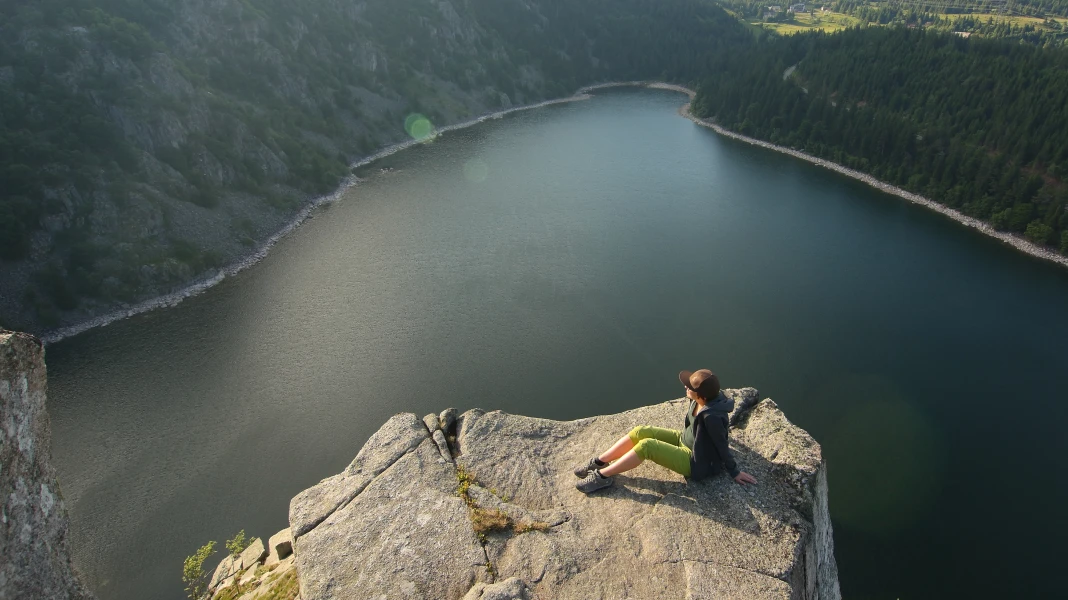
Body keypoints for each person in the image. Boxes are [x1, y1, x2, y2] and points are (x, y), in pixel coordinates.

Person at [573, 369, 758, 493]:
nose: (685, 386)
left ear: (700, 395)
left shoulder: (713, 416)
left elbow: (721, 444)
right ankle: (599, 462)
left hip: (696, 462)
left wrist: (734, 471)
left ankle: (603, 477)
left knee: (647, 446)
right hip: (683, 441)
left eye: (689, 387)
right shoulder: (702, 399)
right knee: (641, 431)